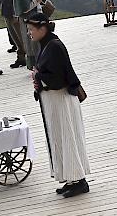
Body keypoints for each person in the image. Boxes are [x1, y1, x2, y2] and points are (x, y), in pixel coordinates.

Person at [27, 13, 90, 198]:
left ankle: (79, 180)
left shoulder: (54, 46)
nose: (29, 33)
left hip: (61, 100)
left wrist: (38, 77)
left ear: (42, 29)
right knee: (59, 138)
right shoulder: (45, 45)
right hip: (53, 101)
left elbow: (58, 78)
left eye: (31, 29)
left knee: (67, 136)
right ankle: (71, 179)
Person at [12, 0, 42, 70]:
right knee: (31, 43)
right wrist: (36, 1)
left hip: (32, 18)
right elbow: (24, 9)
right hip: (27, 20)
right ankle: (33, 64)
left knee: (35, 42)